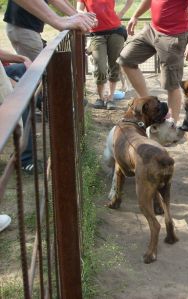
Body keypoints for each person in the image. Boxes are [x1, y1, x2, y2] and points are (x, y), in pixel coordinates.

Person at [0, 0, 97, 234]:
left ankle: (52, 110)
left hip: (27, 31)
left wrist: (73, 16)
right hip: (25, 30)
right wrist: (61, 19)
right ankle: (30, 153)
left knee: (28, 87)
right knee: (22, 104)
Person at [117, 0, 188, 122]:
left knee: (171, 84)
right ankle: (148, 104)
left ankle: (172, 125)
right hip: (152, 30)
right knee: (125, 59)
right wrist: (136, 16)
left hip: (173, 35)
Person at [77, 0, 133, 110]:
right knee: (100, 67)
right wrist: (86, 15)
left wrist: (121, 13)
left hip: (116, 32)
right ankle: (101, 98)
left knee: (115, 65)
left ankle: (111, 98)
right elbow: (78, 10)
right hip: (97, 34)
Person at [4, 0, 94, 61]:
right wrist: (59, 21)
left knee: (42, 73)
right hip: (23, 29)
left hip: (26, 29)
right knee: (40, 76)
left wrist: (79, 16)